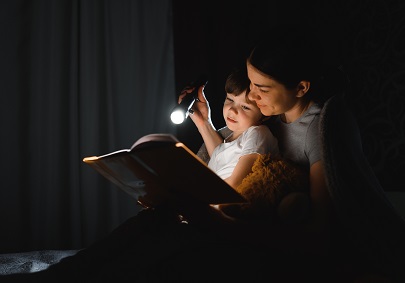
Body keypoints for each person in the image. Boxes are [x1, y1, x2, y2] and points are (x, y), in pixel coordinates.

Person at [1, 25, 351, 282]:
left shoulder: (319, 128)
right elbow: (223, 152)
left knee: (164, 254)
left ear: (301, 87)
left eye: (260, 90)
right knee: (148, 226)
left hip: (261, 242)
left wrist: (216, 220)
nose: (253, 99)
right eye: (248, 87)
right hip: (228, 226)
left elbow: (319, 235)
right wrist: (203, 124)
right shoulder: (266, 119)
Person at [184, 67, 279, 190]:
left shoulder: (257, 133)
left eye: (245, 107)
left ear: (265, 113)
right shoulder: (229, 139)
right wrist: (201, 120)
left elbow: (237, 182)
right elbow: (221, 159)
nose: (232, 110)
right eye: (230, 99)